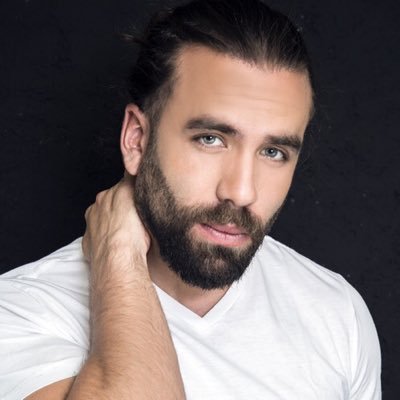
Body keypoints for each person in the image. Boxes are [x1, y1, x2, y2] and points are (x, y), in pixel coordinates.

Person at [0, 0, 381, 398]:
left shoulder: (337, 313)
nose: (241, 191)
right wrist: (118, 257)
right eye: (210, 139)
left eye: (273, 152)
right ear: (137, 140)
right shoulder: (20, 313)